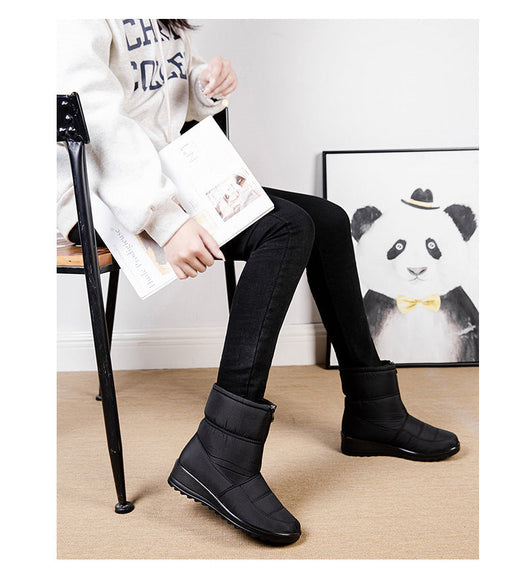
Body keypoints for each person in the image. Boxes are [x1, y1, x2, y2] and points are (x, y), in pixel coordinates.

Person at [57, 19, 460, 546]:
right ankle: (221, 453)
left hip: (167, 178)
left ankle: (372, 411)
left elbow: (159, 100)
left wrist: (202, 85)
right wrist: (166, 219)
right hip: (100, 196)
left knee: (328, 219)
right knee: (287, 229)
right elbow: (96, 119)